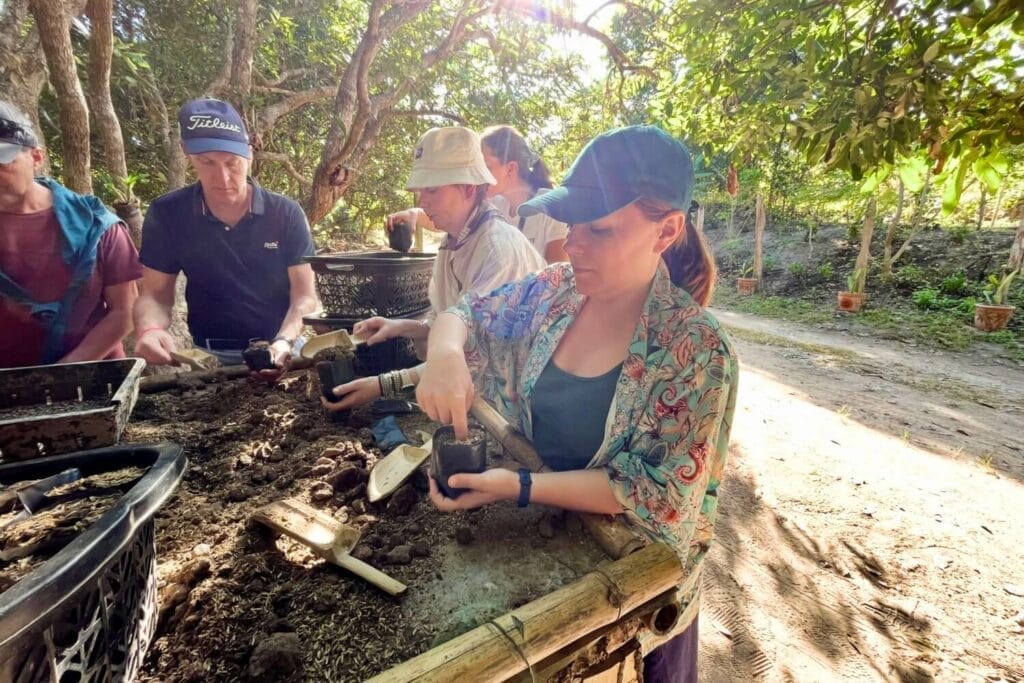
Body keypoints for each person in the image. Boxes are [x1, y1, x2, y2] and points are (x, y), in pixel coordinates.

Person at [415, 125, 738, 682]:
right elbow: (468, 311)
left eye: (600, 229)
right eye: (571, 226)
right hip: (553, 553)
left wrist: (514, 487)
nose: (574, 245)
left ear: (667, 231)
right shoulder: (556, 290)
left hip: (635, 583)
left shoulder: (695, 352)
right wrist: (444, 352)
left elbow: (647, 493)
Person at [322, 126, 545, 411]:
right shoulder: (454, 241)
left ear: (468, 188)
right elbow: (447, 325)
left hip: (516, 405)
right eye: (420, 191)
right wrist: (401, 327)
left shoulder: (497, 250)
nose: (422, 201)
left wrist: (382, 385)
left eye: (432, 189)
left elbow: (472, 355)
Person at [133, 98, 317, 377]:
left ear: (250, 153)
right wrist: (150, 329)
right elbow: (155, 295)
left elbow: (304, 296)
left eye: (232, 162)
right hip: (209, 358)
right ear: (186, 153)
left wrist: (284, 341)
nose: (222, 177)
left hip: (283, 348)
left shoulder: (285, 213)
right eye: (206, 162)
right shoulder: (168, 213)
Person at [0, 100, 141, 368]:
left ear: (36, 158)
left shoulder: (97, 226)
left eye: (3, 161)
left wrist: (62, 374)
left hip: (90, 380)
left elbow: (124, 312)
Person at [386, 126, 569, 264]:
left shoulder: (551, 208)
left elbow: (557, 279)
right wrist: (414, 215)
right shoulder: (496, 204)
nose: (477, 176)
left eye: (485, 166)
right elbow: (453, 219)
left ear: (511, 168)